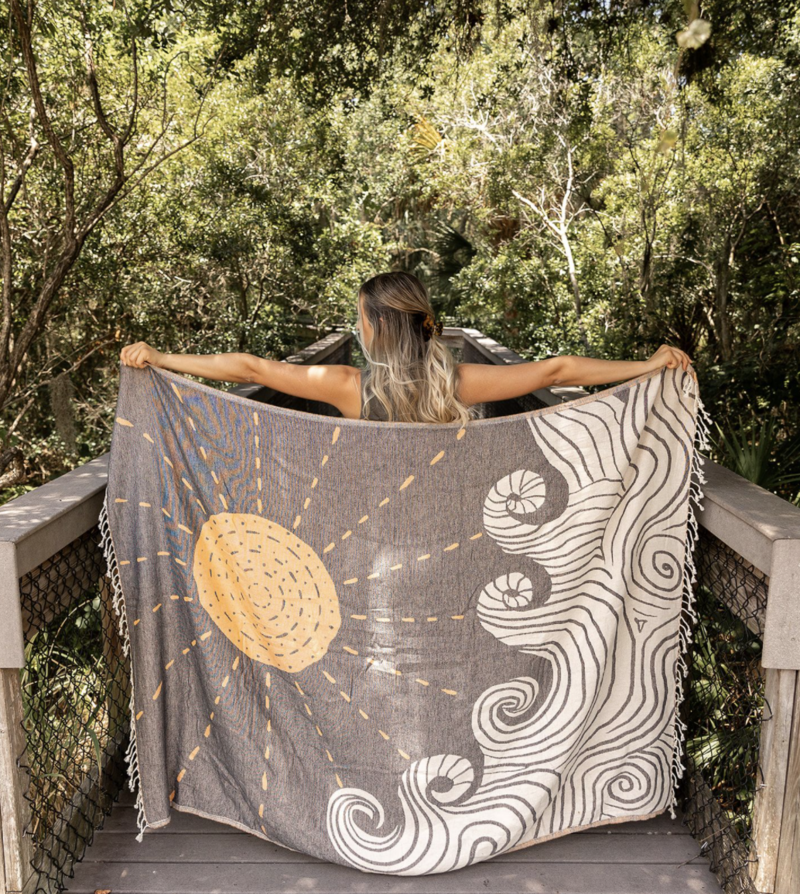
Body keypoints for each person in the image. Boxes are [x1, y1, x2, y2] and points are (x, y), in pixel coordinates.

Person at [120, 270, 695, 424]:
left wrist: (162, 358)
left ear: (372, 328)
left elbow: (249, 367)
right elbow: (556, 371)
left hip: (378, 538)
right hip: (450, 528)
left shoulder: (348, 388)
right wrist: (646, 366)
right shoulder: (461, 382)